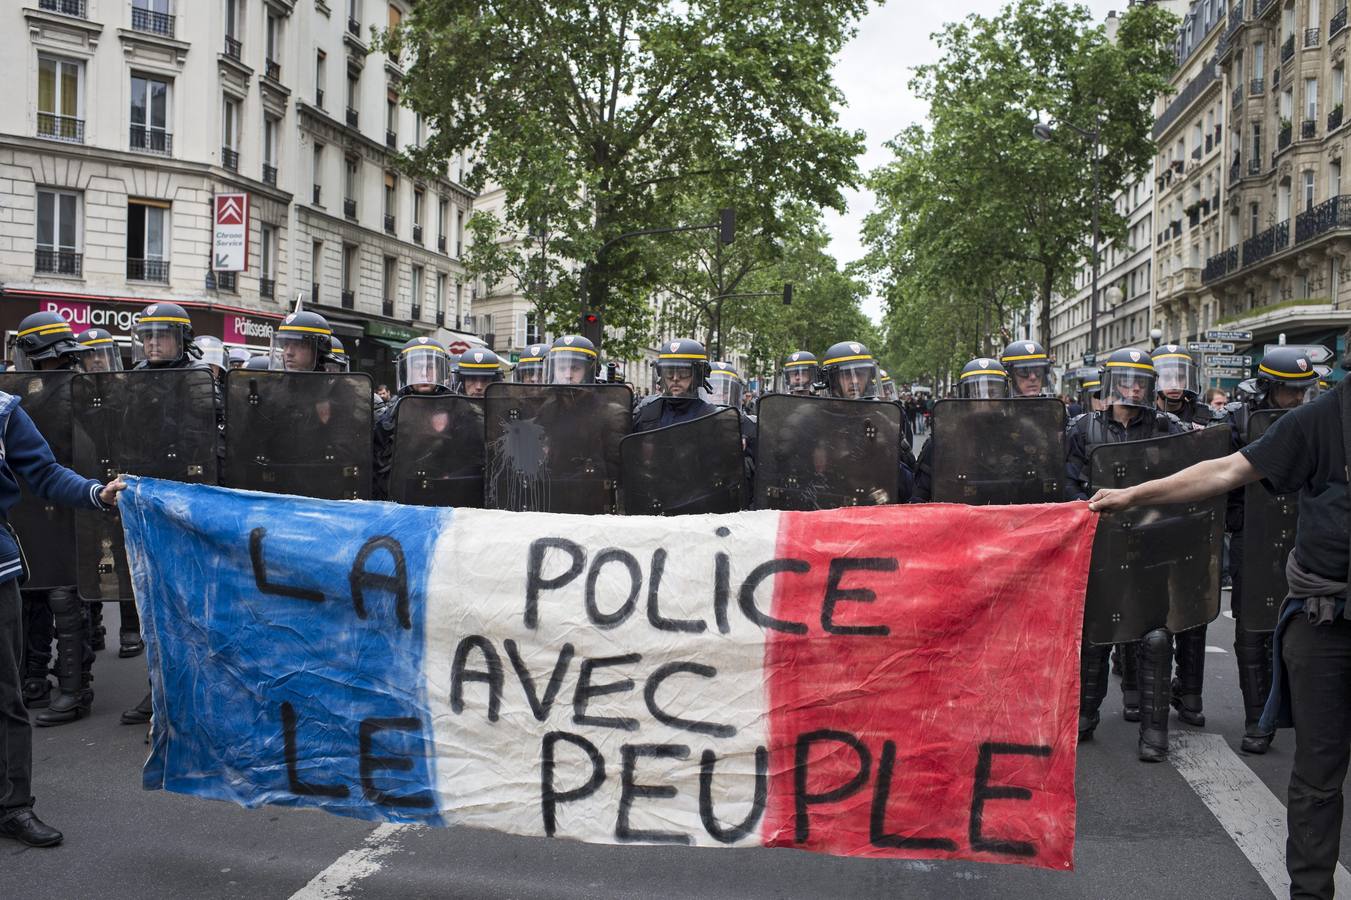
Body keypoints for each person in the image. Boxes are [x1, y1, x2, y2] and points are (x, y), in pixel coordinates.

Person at [1087, 342, 1351, 899]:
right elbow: (1227, 469)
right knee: (1319, 773)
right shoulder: (1324, 418)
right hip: (1330, 619)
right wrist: (1133, 495)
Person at [0, 389, 126, 846]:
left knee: (4, 695)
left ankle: (12, 807)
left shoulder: (3, 410)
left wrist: (97, 493)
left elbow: (45, 472)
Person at [1067, 347, 1187, 762]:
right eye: (1126, 381)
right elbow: (1066, 485)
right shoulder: (1081, 429)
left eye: (1141, 381)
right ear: (1111, 383)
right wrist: (1091, 507)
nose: (1134, 388)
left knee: (1154, 633)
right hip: (1102, 543)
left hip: (1153, 543)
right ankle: (1083, 716)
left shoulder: (1169, 426)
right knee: (1096, 630)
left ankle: (1154, 732)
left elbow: (1187, 478)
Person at [1221, 345, 1320, 757]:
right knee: (1251, 627)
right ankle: (1256, 718)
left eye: (1303, 390)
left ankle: (1303, 714)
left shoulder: (1315, 419)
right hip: (1255, 533)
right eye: (1288, 391)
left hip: (1304, 529)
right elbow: (1222, 475)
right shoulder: (1237, 420)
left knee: (1307, 624)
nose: (1297, 398)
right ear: (1267, 388)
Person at [911, 357, 1010, 502]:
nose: (985, 399)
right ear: (964, 397)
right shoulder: (942, 442)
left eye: (993, 393)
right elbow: (919, 500)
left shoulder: (1018, 438)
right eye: (976, 393)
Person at [372, 338, 452, 499]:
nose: (424, 373)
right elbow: (378, 465)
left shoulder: (457, 408)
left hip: (446, 498)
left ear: (440, 370)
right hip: (403, 499)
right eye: (417, 367)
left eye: (430, 367)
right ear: (406, 371)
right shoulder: (393, 413)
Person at [632, 338, 718, 433]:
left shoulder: (711, 417)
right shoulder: (646, 415)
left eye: (683, 372)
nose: (675, 378)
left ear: (697, 376)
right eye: (669, 372)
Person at [268, 311, 334, 373]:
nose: (289, 353)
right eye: (286, 344)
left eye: (298, 345)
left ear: (318, 352)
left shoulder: (331, 384)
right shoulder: (277, 384)